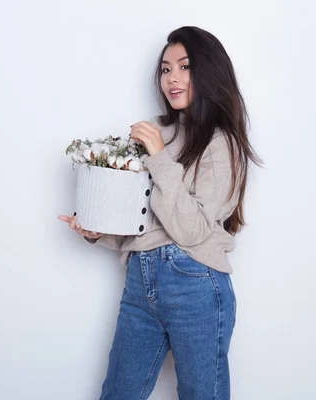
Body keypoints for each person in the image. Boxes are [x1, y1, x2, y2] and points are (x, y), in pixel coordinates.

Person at [58, 26, 261, 399]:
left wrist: (158, 158)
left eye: (185, 66)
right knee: (119, 393)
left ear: (208, 72)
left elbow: (193, 230)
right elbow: (145, 220)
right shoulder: (159, 133)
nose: (173, 78)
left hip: (196, 285)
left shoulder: (221, 142)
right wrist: (96, 231)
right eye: (166, 69)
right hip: (140, 281)